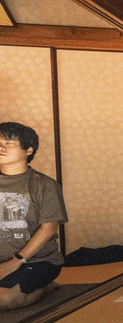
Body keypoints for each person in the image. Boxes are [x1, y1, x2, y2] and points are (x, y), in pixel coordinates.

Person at [0, 122, 68, 310]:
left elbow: (48, 229)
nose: (1, 148)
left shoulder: (44, 185)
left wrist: (14, 263)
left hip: (37, 261)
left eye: (8, 143)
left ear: (29, 149)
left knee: (4, 300)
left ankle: (47, 287)